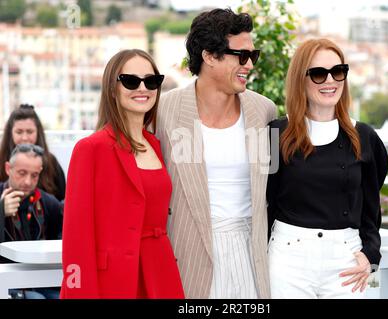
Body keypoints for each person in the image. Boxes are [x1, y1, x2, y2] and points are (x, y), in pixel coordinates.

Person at [156, 8, 277, 298]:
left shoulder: (264, 111)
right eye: (242, 56)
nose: (249, 65)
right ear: (209, 56)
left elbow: (275, 187)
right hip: (189, 257)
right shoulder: (163, 111)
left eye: (253, 56)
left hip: (254, 256)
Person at [266, 38, 388, 299]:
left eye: (338, 71)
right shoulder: (276, 134)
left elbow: (370, 206)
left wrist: (371, 255)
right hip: (288, 259)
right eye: (319, 74)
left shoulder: (364, 136)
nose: (330, 80)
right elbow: (265, 201)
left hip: (346, 261)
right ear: (301, 79)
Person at [60, 49, 184, 299]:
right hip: (112, 282)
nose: (142, 88)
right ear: (111, 89)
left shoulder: (158, 145)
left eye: (151, 81)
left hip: (160, 275)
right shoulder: (90, 149)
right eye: (130, 81)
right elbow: (76, 237)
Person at [0, 143, 63, 299]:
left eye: (34, 175)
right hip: (7, 280)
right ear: (8, 169)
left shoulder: (49, 203)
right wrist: (0, 212)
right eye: (22, 173)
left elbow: (62, 240)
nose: (28, 181)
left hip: (43, 280)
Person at [0, 104, 66, 201]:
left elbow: (63, 200)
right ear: (8, 168)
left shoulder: (52, 163)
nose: (25, 137)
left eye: (30, 132)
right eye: (19, 132)